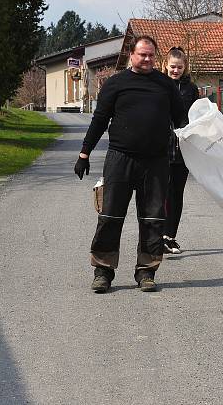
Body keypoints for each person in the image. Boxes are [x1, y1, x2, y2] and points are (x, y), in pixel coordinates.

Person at [74, 35, 185, 294]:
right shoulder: (116, 84)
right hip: (120, 159)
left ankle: (146, 271)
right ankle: (103, 271)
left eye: (151, 55)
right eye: (142, 54)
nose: (147, 59)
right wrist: (84, 153)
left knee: (153, 218)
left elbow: (182, 120)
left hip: (156, 162)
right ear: (131, 56)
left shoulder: (166, 85)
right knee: (110, 215)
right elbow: (99, 120)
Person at [162, 47, 200, 254]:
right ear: (166, 65)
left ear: (185, 67)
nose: (176, 70)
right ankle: (157, 235)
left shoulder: (191, 89)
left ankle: (171, 237)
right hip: (161, 146)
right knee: (161, 193)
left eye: (180, 67)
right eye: (173, 66)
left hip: (183, 147)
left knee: (177, 192)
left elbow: (196, 114)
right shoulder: (159, 84)